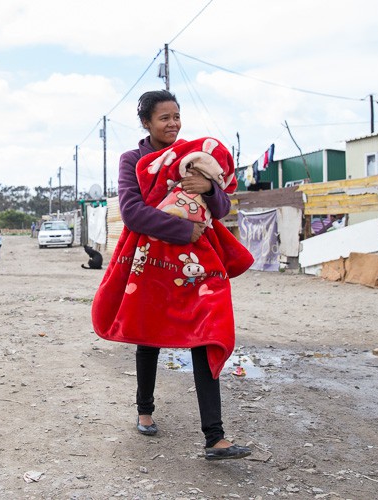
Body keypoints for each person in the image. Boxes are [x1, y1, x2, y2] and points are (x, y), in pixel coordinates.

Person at [95, 89, 252, 461]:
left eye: (176, 116)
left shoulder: (192, 157)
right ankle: (144, 410)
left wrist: (209, 188)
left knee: (206, 331)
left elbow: (224, 203)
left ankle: (215, 437)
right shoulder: (131, 159)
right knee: (148, 335)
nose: (173, 123)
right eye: (164, 118)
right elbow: (132, 212)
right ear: (146, 122)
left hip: (194, 264)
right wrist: (185, 230)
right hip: (150, 261)